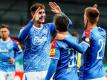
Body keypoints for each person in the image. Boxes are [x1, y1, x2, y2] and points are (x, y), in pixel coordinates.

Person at [18, 2, 72, 80]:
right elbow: (20, 37)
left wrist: (61, 14)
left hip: (47, 70)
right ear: (33, 14)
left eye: (43, 12)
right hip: (31, 71)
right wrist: (32, 21)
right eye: (40, 13)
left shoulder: (49, 27)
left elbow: (68, 24)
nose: (43, 15)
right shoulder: (27, 28)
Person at [56, 4, 107, 80]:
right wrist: (61, 14)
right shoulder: (102, 32)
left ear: (86, 18)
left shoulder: (88, 32)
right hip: (102, 75)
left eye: (84, 16)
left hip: (89, 76)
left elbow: (82, 49)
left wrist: (64, 38)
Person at [45, 14, 79, 80]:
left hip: (62, 77)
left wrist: (46, 79)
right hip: (74, 77)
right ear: (67, 25)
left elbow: (53, 63)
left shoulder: (56, 42)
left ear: (56, 27)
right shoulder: (75, 39)